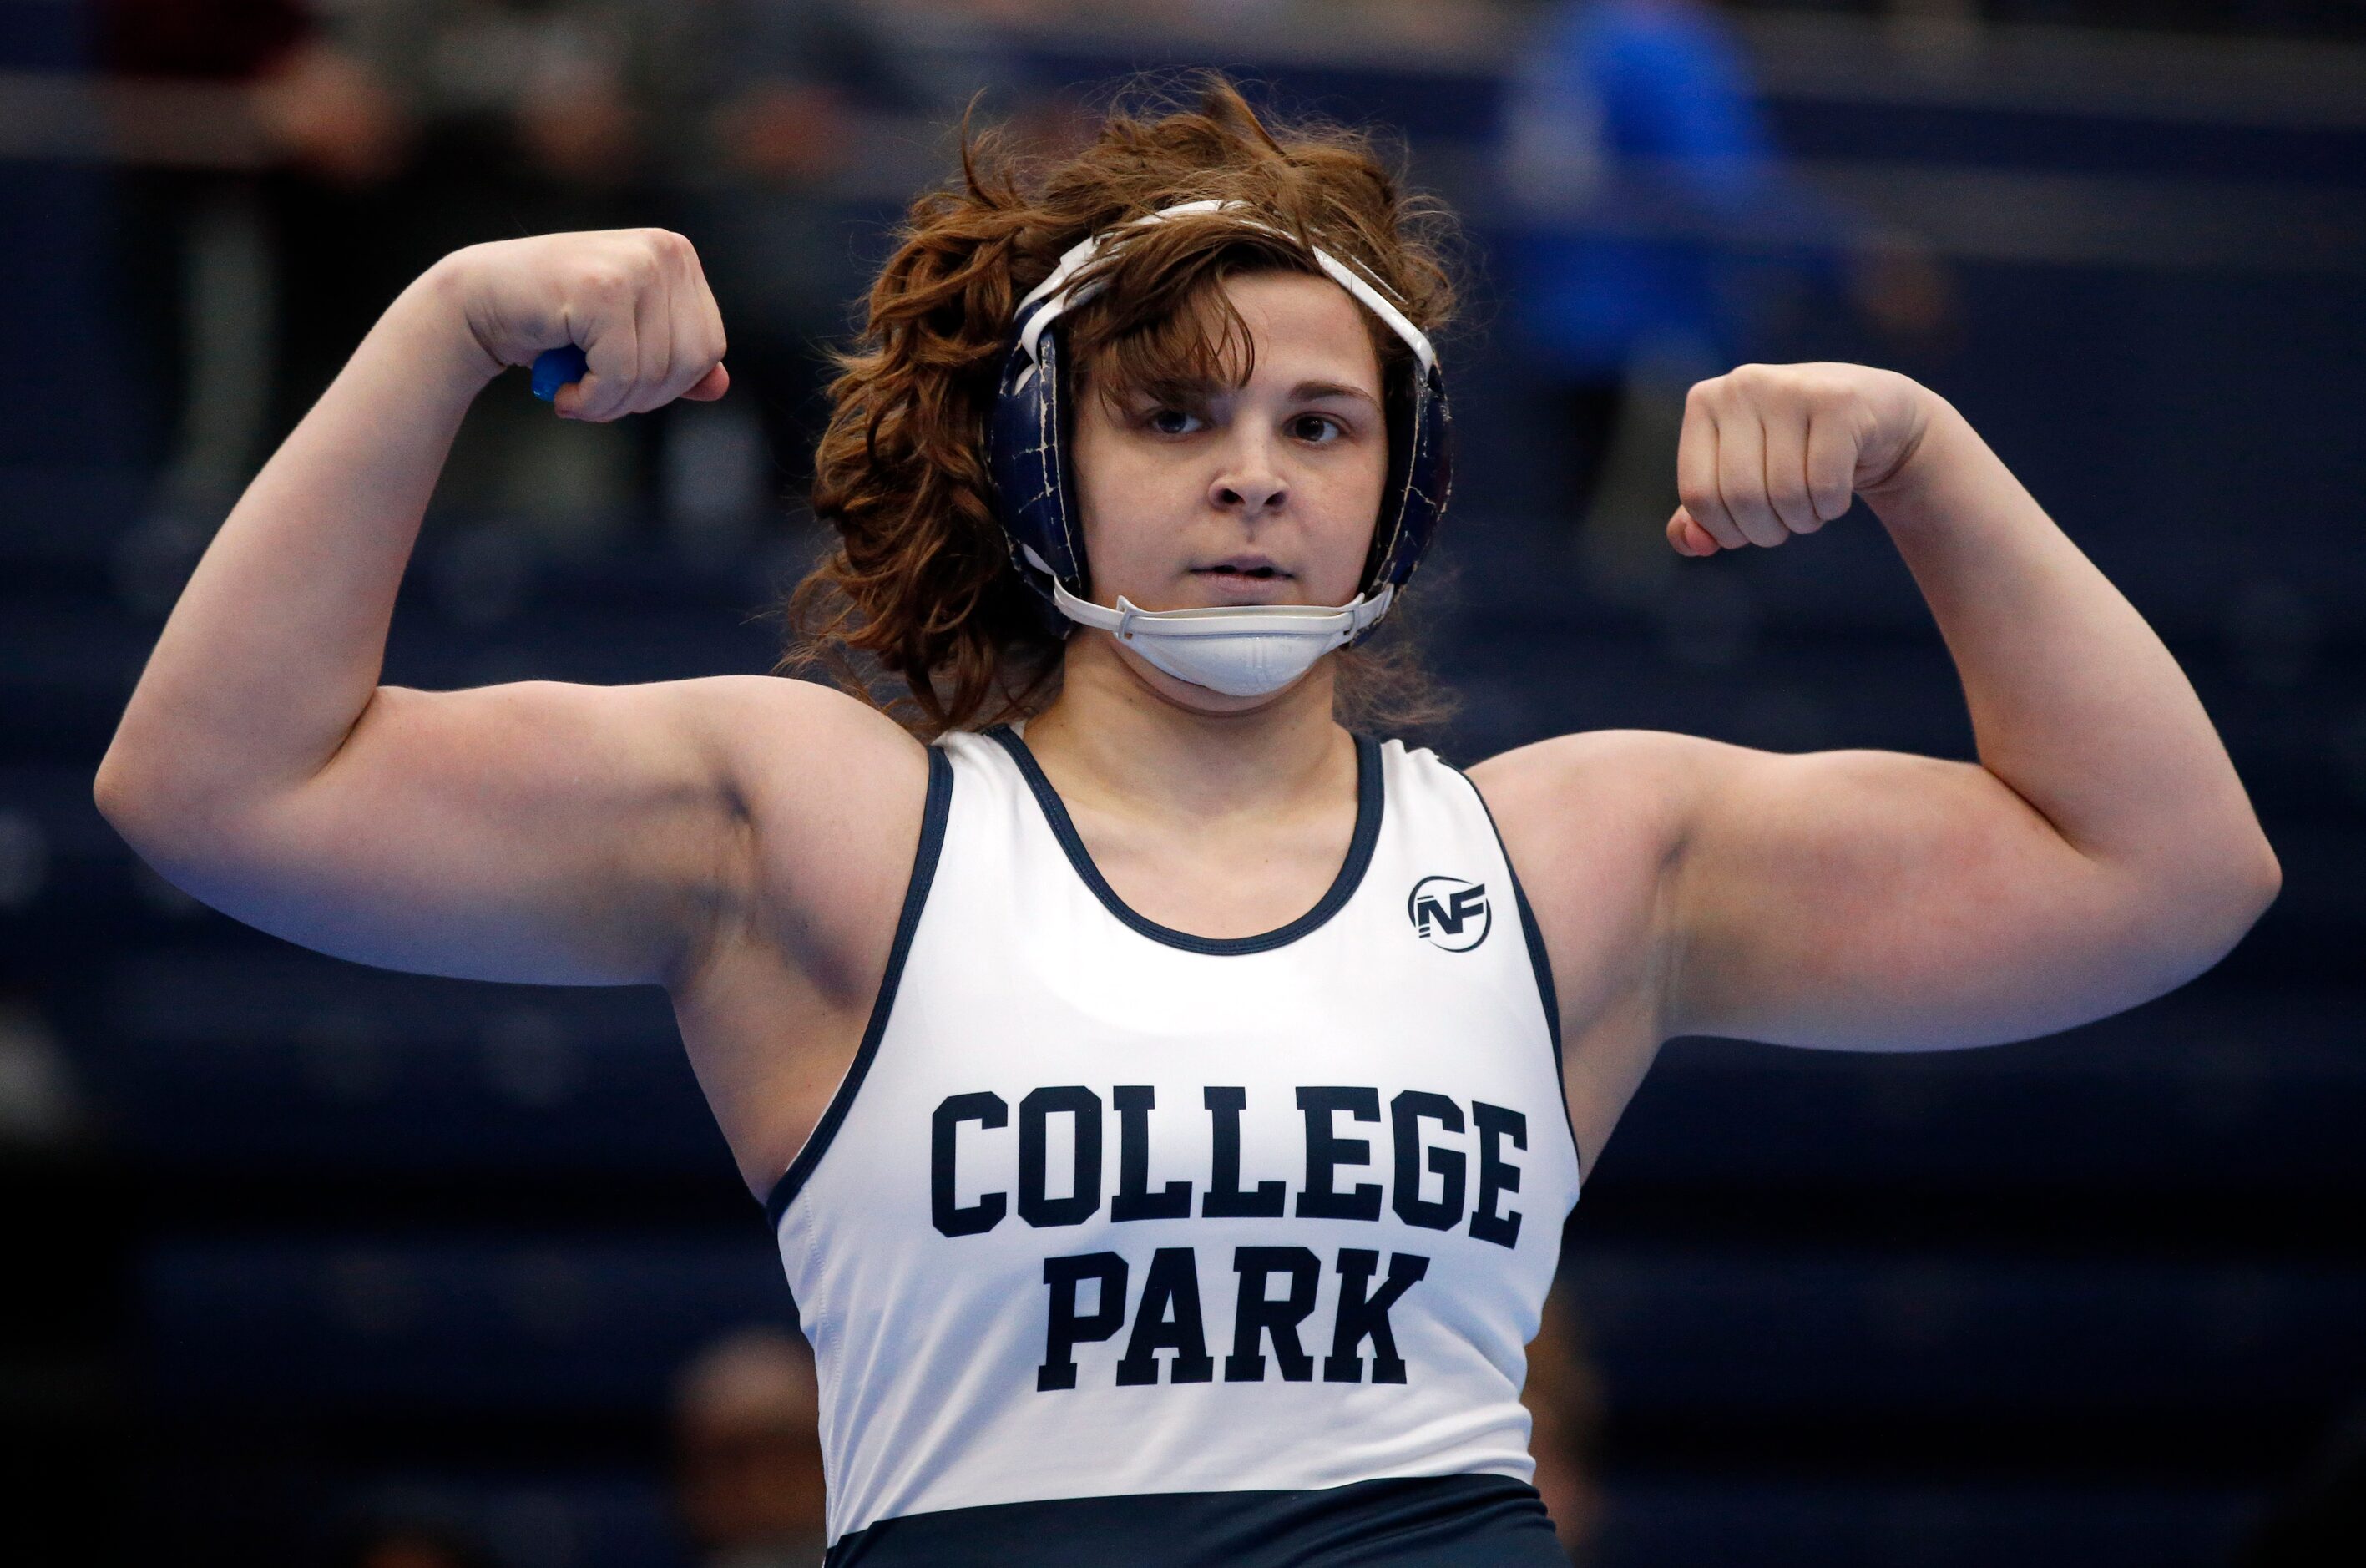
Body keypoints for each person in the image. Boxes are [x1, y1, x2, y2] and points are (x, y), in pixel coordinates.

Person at [94, 78, 2278, 1565]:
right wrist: (440, 323)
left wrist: (1922, 458)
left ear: (1397, 489)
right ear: (1042, 463)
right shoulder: (836, 831)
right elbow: (215, 785)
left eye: (1319, 419)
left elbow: (2166, 875)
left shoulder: (1563, 859)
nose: (1253, 468)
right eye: (1173, 410)